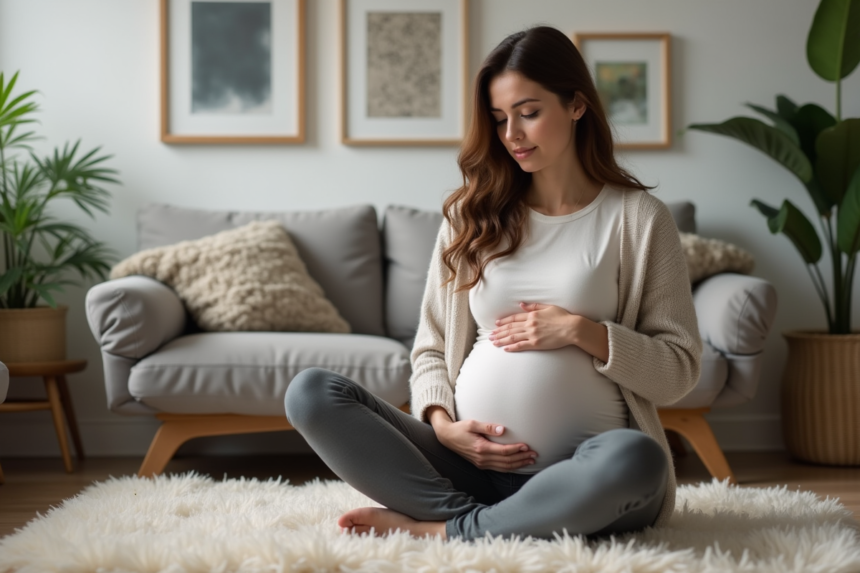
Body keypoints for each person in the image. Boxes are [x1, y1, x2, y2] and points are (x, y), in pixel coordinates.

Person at [284, 26, 701, 542]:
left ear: (576, 105)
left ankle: (442, 530)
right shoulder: (469, 215)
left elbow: (679, 368)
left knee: (638, 459)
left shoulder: (637, 218)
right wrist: (441, 425)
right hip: (467, 473)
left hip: (583, 476)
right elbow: (431, 348)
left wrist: (581, 331)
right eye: (500, 119)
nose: (512, 135)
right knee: (311, 393)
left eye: (529, 112)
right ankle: (477, 522)